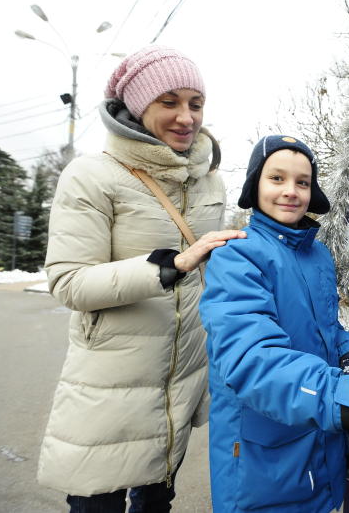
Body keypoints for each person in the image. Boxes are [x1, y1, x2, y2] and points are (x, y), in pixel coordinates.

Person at [37, 45, 245, 512]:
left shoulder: (209, 179)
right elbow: (69, 282)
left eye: (195, 103)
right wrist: (169, 266)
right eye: (168, 102)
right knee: (98, 505)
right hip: (110, 384)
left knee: (156, 504)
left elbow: (213, 267)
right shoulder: (93, 175)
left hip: (182, 375)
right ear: (137, 105)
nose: (186, 117)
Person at [200, 135, 349, 513]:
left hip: (322, 444)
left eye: (302, 182)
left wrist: (347, 353)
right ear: (255, 185)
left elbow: (328, 325)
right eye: (277, 178)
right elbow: (252, 361)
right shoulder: (237, 256)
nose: (291, 191)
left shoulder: (317, 253)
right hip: (263, 461)